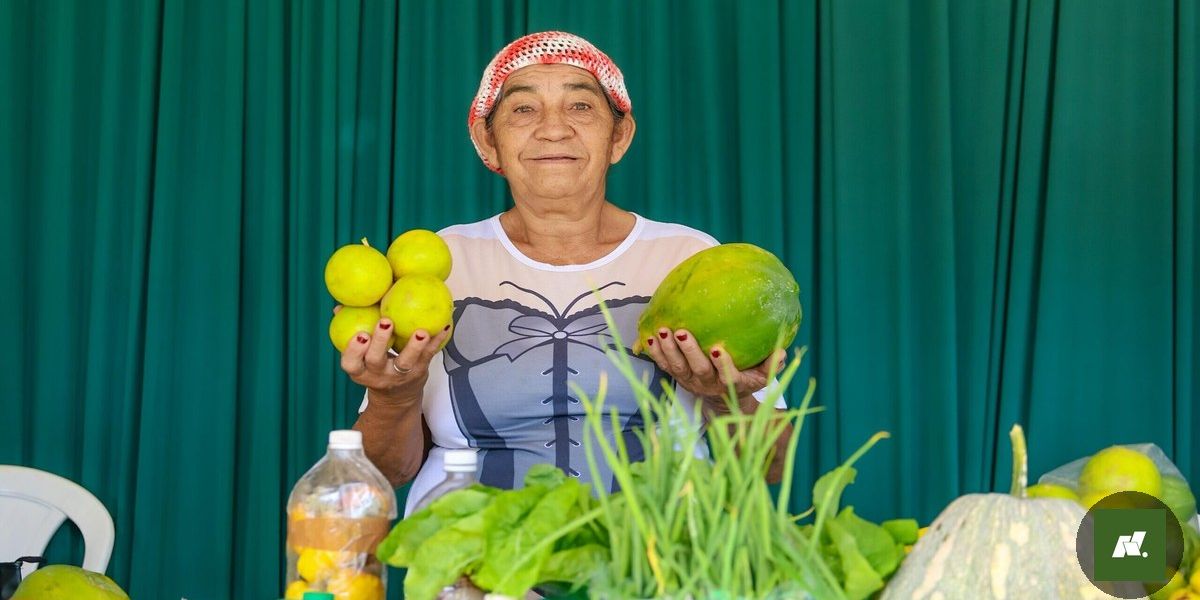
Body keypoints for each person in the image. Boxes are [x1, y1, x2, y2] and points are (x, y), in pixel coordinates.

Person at [342, 31, 790, 515]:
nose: (553, 129)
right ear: (486, 141)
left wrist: (726, 401)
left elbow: (770, 467)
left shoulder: (690, 258)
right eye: (523, 110)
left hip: (656, 563)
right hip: (474, 563)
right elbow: (389, 471)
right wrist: (395, 396)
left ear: (619, 136)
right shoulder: (435, 266)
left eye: (580, 107)